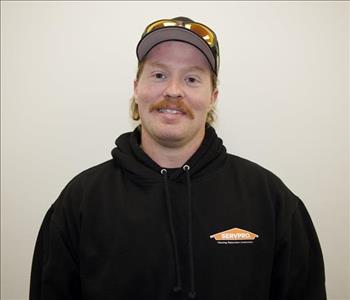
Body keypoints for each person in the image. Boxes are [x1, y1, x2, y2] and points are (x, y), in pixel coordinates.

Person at [29, 16, 327, 300]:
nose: (173, 91)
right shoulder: (79, 201)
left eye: (192, 79)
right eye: (159, 75)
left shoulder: (271, 200)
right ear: (136, 88)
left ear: (213, 96)